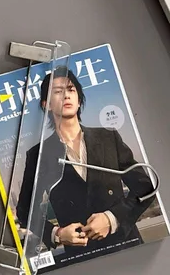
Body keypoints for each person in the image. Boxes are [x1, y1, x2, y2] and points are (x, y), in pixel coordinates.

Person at [16, 66, 154, 260]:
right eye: (58, 91)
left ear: (79, 99)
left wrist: (111, 218)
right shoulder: (38, 155)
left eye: (71, 89)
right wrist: (56, 233)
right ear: (46, 104)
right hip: (81, 256)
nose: (66, 95)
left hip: (126, 246)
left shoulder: (108, 137)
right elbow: (24, 210)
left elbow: (146, 187)